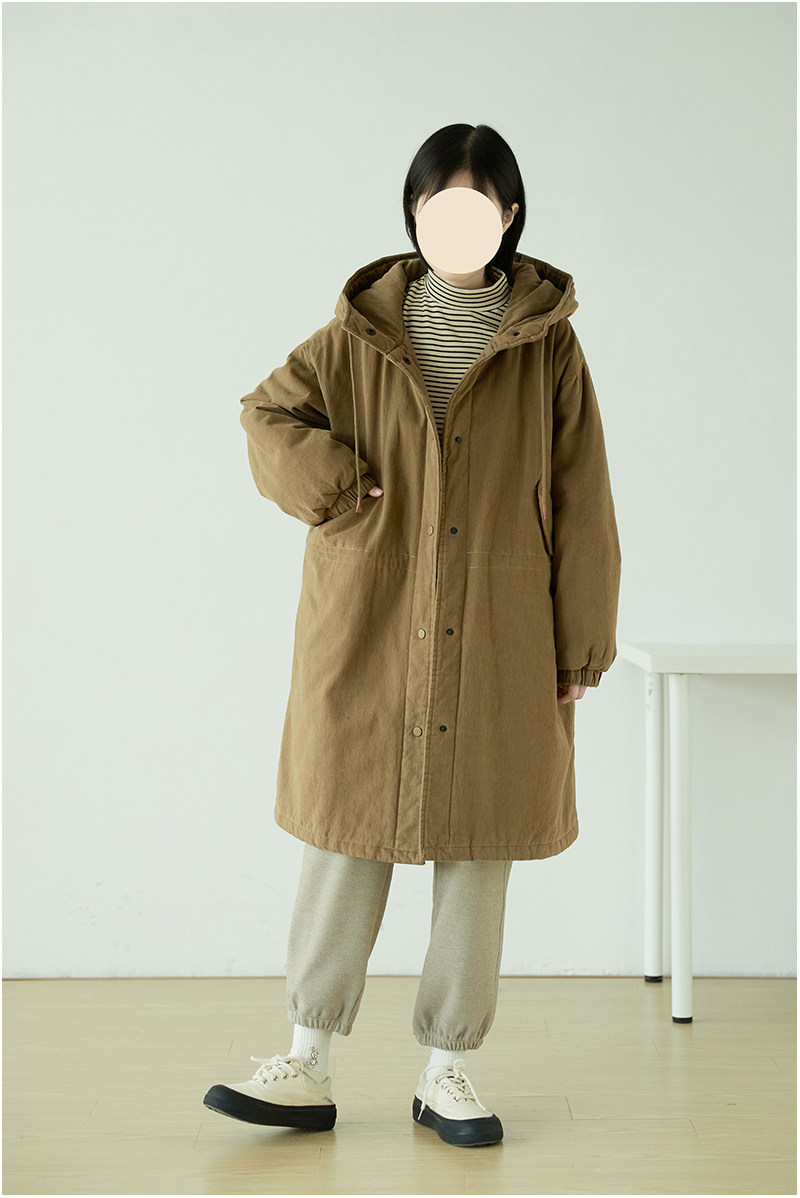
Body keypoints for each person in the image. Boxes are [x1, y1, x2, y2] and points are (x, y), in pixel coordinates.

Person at [204, 123, 622, 1148]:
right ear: (413, 212)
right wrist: (340, 487)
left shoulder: (547, 347)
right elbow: (266, 418)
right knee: (348, 825)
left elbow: (583, 498)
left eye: (478, 205)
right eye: (437, 205)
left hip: (500, 626)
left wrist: (580, 643)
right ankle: (306, 1057)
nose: (456, 223)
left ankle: (448, 1069)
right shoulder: (352, 337)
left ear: (509, 216)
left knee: (480, 840)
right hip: (371, 617)